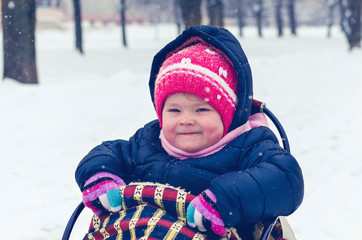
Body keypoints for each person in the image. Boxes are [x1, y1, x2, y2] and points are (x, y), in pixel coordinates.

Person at [75, 25, 304, 239]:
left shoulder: (249, 145)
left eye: (201, 109)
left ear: (228, 114)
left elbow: (285, 177)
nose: (186, 120)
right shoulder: (148, 141)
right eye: (174, 110)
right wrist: (99, 175)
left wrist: (226, 199)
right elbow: (107, 153)